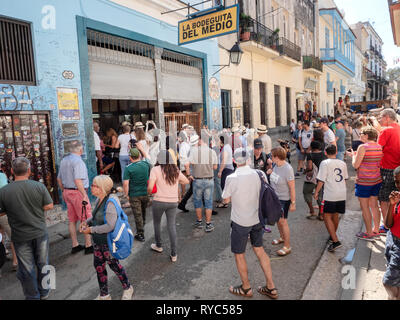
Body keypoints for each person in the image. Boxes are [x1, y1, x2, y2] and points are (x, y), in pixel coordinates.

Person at [220, 147, 278, 299]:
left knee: (239, 254)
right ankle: (271, 287)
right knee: (259, 250)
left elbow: (226, 199)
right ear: (248, 160)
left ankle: (246, 288)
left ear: (234, 161)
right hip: (257, 219)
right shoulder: (259, 173)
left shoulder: (231, 178)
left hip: (240, 221)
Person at [0, 157, 54, 300]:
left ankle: (32, 295)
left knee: (27, 267)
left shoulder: (4, 191)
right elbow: (49, 205)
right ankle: (45, 291)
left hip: (20, 236)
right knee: (43, 262)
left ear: (12, 171)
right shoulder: (38, 186)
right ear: (29, 171)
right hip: (40, 232)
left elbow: (1, 212)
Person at [80, 175, 133, 300]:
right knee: (99, 268)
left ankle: (128, 288)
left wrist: (91, 230)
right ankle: (104, 294)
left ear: (102, 188)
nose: (91, 187)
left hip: (108, 243)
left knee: (115, 266)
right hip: (98, 243)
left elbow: (110, 226)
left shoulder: (110, 203)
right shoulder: (100, 199)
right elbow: (95, 216)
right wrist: (87, 222)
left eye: (94, 185)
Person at [147, 150, 189, 262]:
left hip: (159, 201)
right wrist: (176, 183)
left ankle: (159, 246)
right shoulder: (175, 170)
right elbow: (185, 181)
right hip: (173, 202)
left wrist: (150, 192)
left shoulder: (155, 170)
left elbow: (150, 187)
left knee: (157, 223)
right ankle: (174, 254)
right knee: (171, 226)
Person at [57, 141, 93, 254]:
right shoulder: (78, 162)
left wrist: (63, 190)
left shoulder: (64, 160)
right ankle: (88, 245)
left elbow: (59, 179)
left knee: (72, 220)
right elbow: (78, 180)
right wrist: (84, 195)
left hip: (67, 191)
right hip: (78, 192)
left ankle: (75, 244)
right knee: (85, 218)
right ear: (80, 150)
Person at [347, 127, 383, 241]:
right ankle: (376, 230)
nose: (360, 135)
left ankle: (369, 233)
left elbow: (356, 165)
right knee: (374, 205)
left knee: (365, 207)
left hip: (364, 181)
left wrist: (353, 156)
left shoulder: (362, 147)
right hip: (376, 180)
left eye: (362, 134)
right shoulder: (378, 146)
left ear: (367, 135)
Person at [314, 144, 348, 252]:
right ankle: (333, 235)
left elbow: (321, 180)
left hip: (330, 193)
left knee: (326, 216)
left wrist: (316, 192)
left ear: (325, 152)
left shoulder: (325, 163)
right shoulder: (342, 163)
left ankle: (335, 240)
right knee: (335, 215)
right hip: (341, 193)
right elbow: (345, 178)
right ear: (336, 152)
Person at [185, 135, 218, 232]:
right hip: (209, 179)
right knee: (208, 202)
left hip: (197, 180)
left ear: (200, 140)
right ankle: (208, 224)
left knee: (197, 201)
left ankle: (199, 222)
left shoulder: (194, 152)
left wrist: (188, 175)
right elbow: (215, 167)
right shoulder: (212, 152)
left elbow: (187, 164)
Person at [268, 147, 296, 257]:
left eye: (272, 156)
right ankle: (282, 237)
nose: (270, 157)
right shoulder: (275, 165)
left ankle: (287, 246)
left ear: (277, 157)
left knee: (283, 222)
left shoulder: (288, 169)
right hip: (275, 198)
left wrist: (293, 203)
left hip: (284, 199)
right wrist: (270, 171)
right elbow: (275, 179)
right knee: (278, 221)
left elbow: (292, 187)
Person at [377, 109, 400, 234]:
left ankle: (386, 226)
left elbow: (377, 150)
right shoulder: (398, 128)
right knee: (396, 196)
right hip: (398, 169)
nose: (379, 120)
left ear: (386, 117)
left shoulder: (385, 130)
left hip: (387, 169)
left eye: (380, 117)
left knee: (384, 198)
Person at [123, 148, 150, 242]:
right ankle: (142, 225)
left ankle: (140, 233)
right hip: (145, 193)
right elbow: (147, 158)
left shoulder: (128, 168)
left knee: (137, 214)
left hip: (134, 194)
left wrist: (126, 194)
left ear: (130, 157)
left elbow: (126, 184)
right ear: (139, 156)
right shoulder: (146, 164)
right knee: (143, 211)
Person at [382, 166, 400, 300]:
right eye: (397, 182)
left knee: (388, 281)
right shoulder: (397, 198)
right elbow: (388, 224)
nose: (399, 185)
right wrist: (392, 205)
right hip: (391, 240)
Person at [0, 167, 18, 270]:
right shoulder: (1, 176)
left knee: (0, 233)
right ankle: (16, 261)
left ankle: (3, 253)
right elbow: (5, 193)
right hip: (2, 212)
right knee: (13, 236)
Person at [303, 141, 326, 220]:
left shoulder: (310, 155)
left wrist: (305, 171)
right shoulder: (324, 154)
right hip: (321, 178)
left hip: (312, 178)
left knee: (306, 192)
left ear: (312, 147)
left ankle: (312, 211)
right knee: (320, 195)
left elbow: (309, 167)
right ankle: (321, 214)